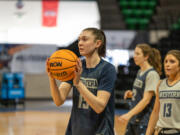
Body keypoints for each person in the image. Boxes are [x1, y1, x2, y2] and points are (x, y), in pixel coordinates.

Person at [46, 28, 117, 135]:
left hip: (100, 131)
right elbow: (58, 100)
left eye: (84, 39)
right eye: (79, 40)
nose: (80, 43)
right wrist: (52, 78)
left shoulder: (107, 69)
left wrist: (78, 84)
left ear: (97, 43)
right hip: (76, 130)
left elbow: (99, 107)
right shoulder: (75, 66)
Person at [118, 44, 162, 135]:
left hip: (145, 121)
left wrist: (128, 114)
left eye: (138, 54)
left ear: (146, 57)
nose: (134, 56)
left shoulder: (152, 74)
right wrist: (132, 93)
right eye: (134, 53)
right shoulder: (140, 71)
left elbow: (146, 100)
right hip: (134, 119)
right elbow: (141, 92)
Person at [146, 50, 180, 135]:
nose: (167, 64)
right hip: (160, 131)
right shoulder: (160, 84)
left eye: (172, 61)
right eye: (166, 61)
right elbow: (155, 112)